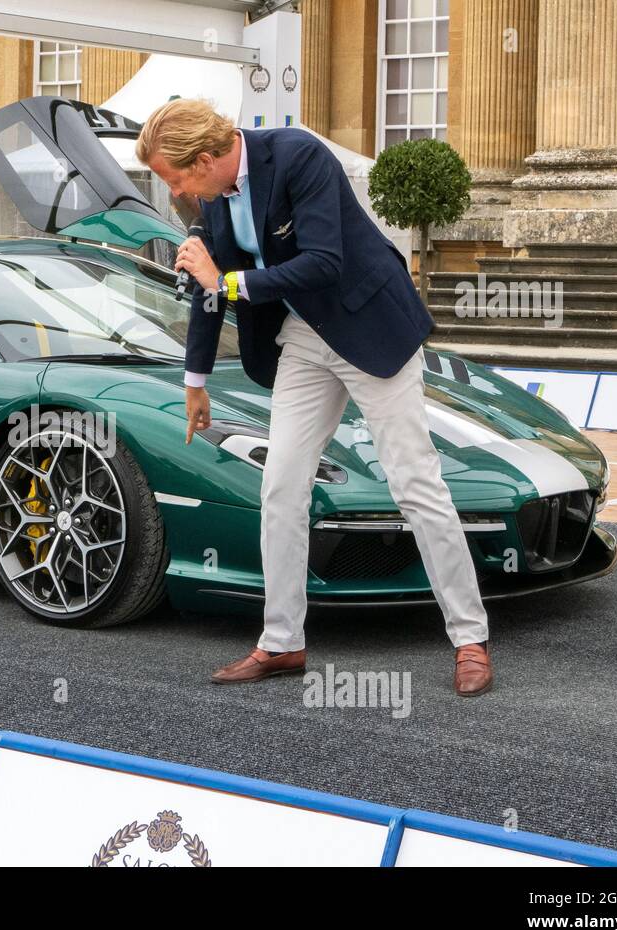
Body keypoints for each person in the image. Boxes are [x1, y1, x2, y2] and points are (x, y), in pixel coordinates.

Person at [135, 99, 493, 696]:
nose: (173, 191)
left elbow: (323, 261)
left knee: (414, 482)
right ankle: (281, 643)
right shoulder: (211, 199)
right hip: (301, 337)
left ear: (203, 161)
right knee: (280, 485)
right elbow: (203, 287)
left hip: (370, 325)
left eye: (174, 179)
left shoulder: (298, 154)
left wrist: (226, 281)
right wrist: (195, 381)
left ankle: (470, 638)